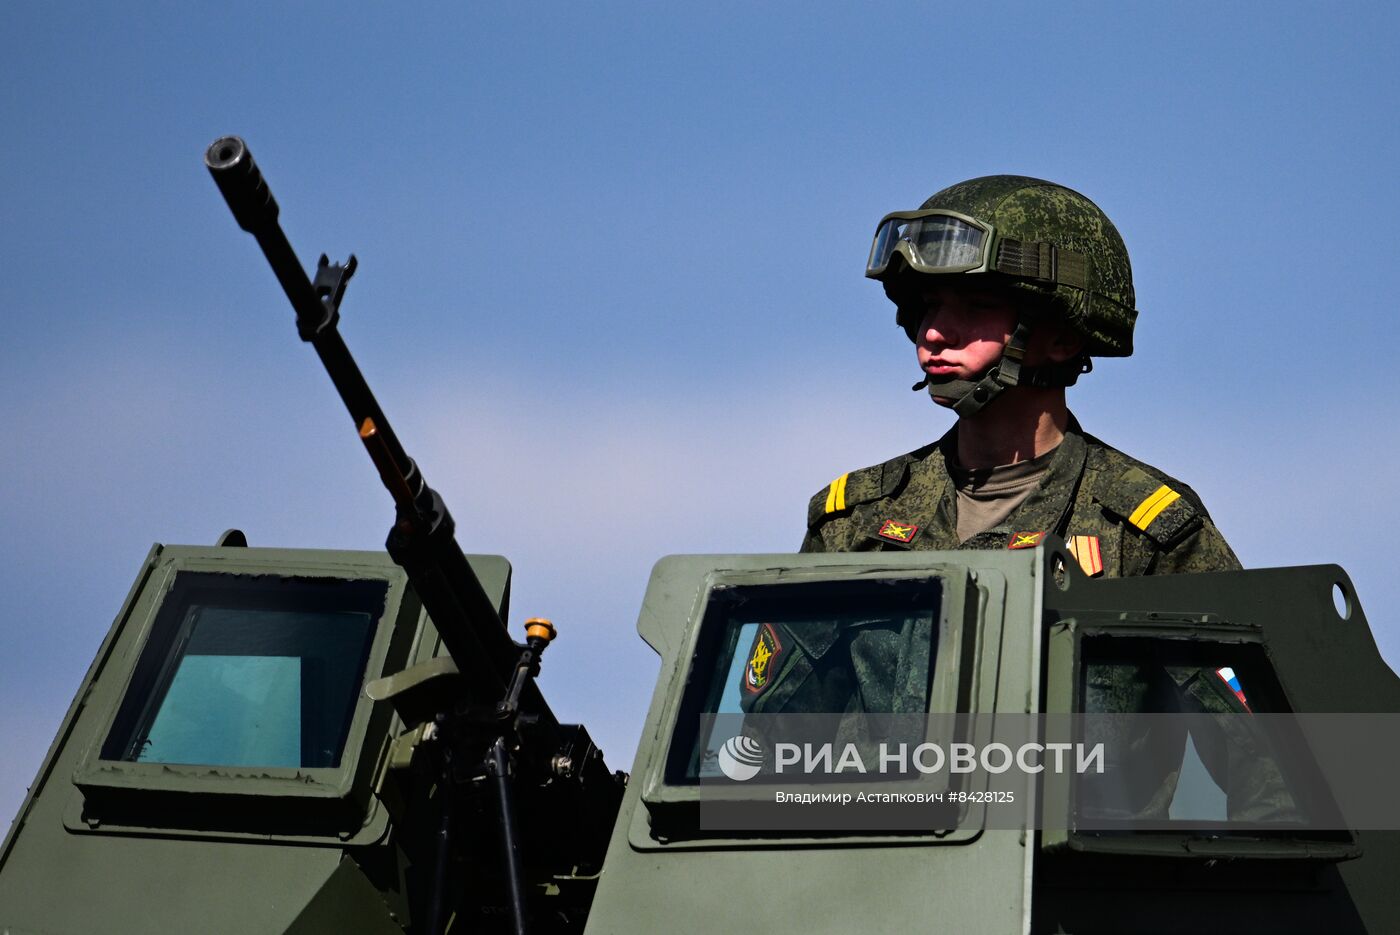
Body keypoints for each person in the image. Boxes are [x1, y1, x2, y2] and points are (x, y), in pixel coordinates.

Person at [800, 175, 1240, 579]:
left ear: (1063, 338)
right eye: (929, 305)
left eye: (977, 307)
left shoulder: (1148, 534)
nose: (933, 332)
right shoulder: (855, 522)